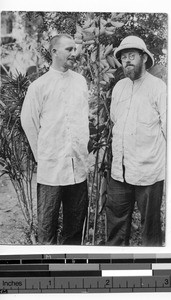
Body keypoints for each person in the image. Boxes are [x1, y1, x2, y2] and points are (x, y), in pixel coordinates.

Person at [21, 34, 89, 245]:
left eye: (74, 49)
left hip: (77, 169)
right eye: (68, 49)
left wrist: (83, 153)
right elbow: (28, 121)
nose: (73, 53)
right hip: (51, 169)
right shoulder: (39, 86)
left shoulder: (80, 82)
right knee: (46, 227)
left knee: (75, 226)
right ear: (54, 52)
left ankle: (73, 269)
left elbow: (83, 120)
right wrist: (42, 156)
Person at [106, 36, 167, 246]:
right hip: (119, 172)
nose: (127, 61)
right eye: (123, 57)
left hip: (148, 173)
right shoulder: (119, 88)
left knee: (150, 231)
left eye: (132, 55)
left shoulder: (158, 88)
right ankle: (114, 266)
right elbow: (116, 121)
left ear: (143, 57)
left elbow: (169, 130)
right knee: (115, 229)